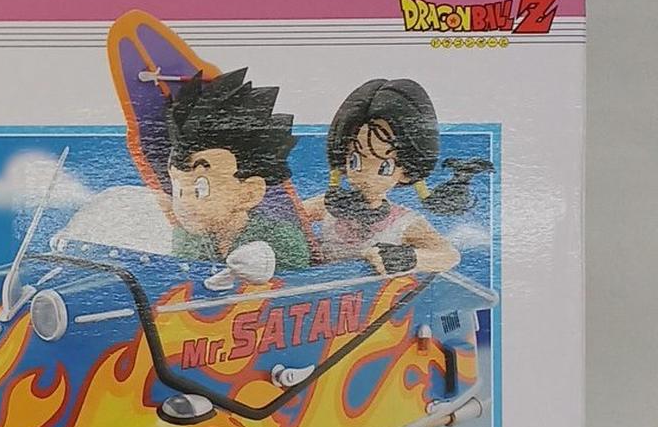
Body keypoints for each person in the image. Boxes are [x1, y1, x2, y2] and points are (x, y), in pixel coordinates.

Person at [302, 78, 480, 275]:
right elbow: (289, 214)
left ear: (406, 172)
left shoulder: (403, 222)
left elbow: (448, 255)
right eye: (354, 161)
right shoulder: (326, 206)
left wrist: (408, 258)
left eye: (384, 167)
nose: (365, 175)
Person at [163, 68, 310, 271]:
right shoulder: (187, 237)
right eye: (179, 189)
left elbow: (295, 279)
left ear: (249, 193)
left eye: (200, 190)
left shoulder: (281, 240)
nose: (185, 203)